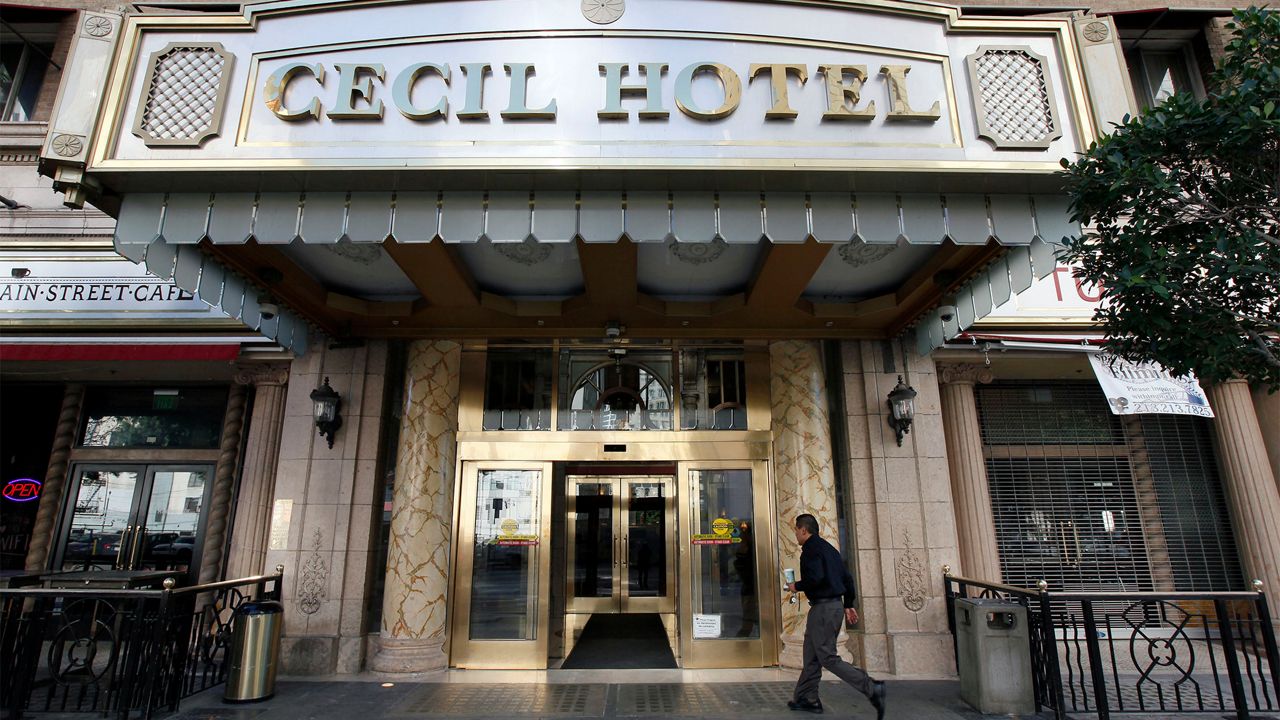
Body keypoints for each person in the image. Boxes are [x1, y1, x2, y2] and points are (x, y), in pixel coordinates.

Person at [785, 513, 886, 719]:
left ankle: (872, 687)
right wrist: (848, 604)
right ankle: (807, 698)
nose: (795, 534)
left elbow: (816, 578)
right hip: (832, 607)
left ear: (804, 530)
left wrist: (797, 586)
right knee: (811, 654)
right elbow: (847, 578)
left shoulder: (810, 550)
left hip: (823, 609)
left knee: (828, 657)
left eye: (796, 529)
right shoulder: (829, 549)